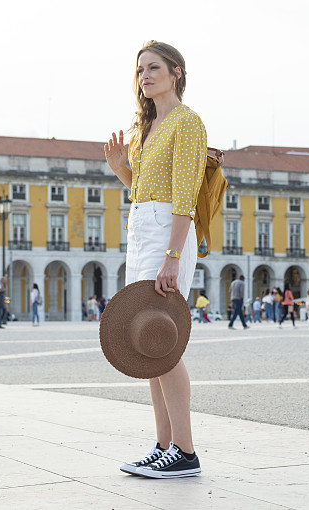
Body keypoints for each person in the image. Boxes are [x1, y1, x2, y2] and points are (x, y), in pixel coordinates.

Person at [104, 40, 204, 478]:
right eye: (140, 70)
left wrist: (172, 256)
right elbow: (142, 190)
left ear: (176, 72)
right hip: (142, 230)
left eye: (154, 68)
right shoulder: (144, 126)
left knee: (164, 338)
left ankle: (185, 451)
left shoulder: (187, 122)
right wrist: (121, 169)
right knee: (146, 341)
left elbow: (184, 197)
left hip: (168, 232)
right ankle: (163, 445)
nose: (144, 76)